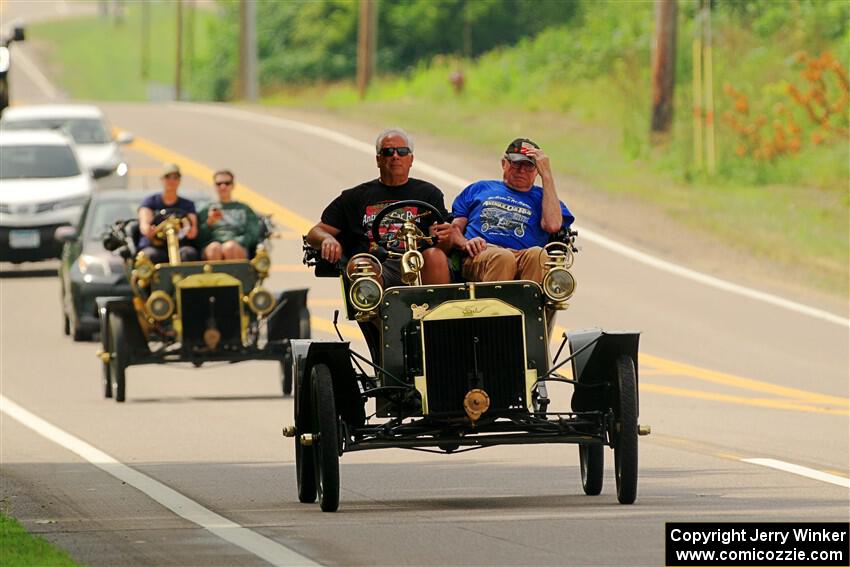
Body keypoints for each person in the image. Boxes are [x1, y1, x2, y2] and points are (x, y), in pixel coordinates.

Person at [306, 128, 453, 286]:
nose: (395, 156)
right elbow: (314, 233)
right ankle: (371, 309)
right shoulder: (355, 197)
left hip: (418, 264)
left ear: (411, 159)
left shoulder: (429, 194)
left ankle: (433, 309)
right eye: (388, 151)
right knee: (361, 265)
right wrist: (327, 239)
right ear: (378, 159)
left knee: (436, 256)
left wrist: (446, 237)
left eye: (402, 151)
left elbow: (445, 243)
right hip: (378, 265)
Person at [451, 138, 574, 283]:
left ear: (536, 171)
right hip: (483, 253)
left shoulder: (546, 197)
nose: (522, 170)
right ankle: (493, 305)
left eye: (529, 166)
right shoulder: (480, 188)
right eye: (516, 164)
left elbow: (552, 225)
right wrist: (465, 243)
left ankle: (528, 304)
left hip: (524, 256)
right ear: (504, 163)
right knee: (504, 257)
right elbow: (454, 228)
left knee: (538, 254)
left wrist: (547, 175)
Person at [138, 163, 199, 263]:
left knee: (188, 253)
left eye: (175, 177)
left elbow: (193, 231)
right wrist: (150, 230)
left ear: (179, 181)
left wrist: (187, 229)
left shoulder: (187, 205)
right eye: (168, 177)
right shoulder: (150, 202)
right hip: (155, 246)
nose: (171, 181)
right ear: (162, 179)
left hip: (180, 245)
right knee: (149, 255)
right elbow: (145, 224)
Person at [197, 169, 261, 260]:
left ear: (233, 186)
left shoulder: (243, 208)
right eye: (219, 184)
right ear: (214, 186)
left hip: (237, 245)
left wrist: (237, 241)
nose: (223, 186)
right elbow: (198, 238)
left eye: (227, 183)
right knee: (214, 248)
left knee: (229, 247)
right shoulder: (206, 209)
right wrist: (209, 222)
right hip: (213, 246)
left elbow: (253, 234)